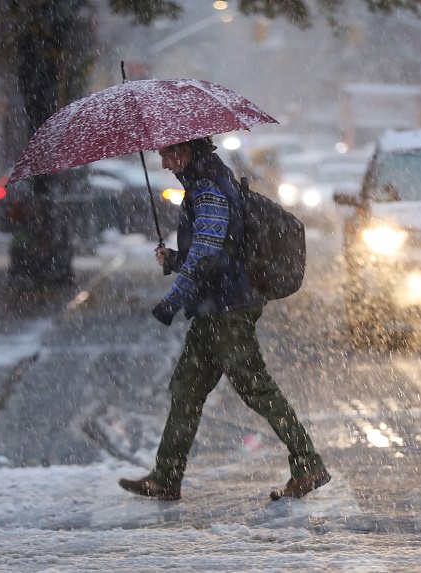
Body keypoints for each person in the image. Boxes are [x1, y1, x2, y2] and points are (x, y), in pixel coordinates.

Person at [118, 137, 330, 500]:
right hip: (213, 309)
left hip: (228, 310)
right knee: (187, 389)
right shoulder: (206, 184)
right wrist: (173, 260)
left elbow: (206, 256)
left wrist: (171, 301)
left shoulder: (209, 190)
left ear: (186, 151)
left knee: (257, 389)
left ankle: (308, 465)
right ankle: (166, 476)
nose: (165, 164)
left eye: (168, 155)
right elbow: (210, 253)